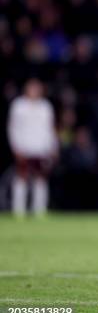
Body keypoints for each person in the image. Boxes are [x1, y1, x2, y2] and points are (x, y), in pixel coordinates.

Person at [7, 78, 58, 217]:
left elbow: (50, 128)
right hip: (24, 147)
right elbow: (13, 128)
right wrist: (15, 146)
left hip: (41, 148)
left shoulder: (45, 106)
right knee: (21, 178)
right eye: (32, 87)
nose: (34, 91)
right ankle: (18, 210)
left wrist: (53, 146)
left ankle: (39, 210)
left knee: (40, 179)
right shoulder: (18, 105)